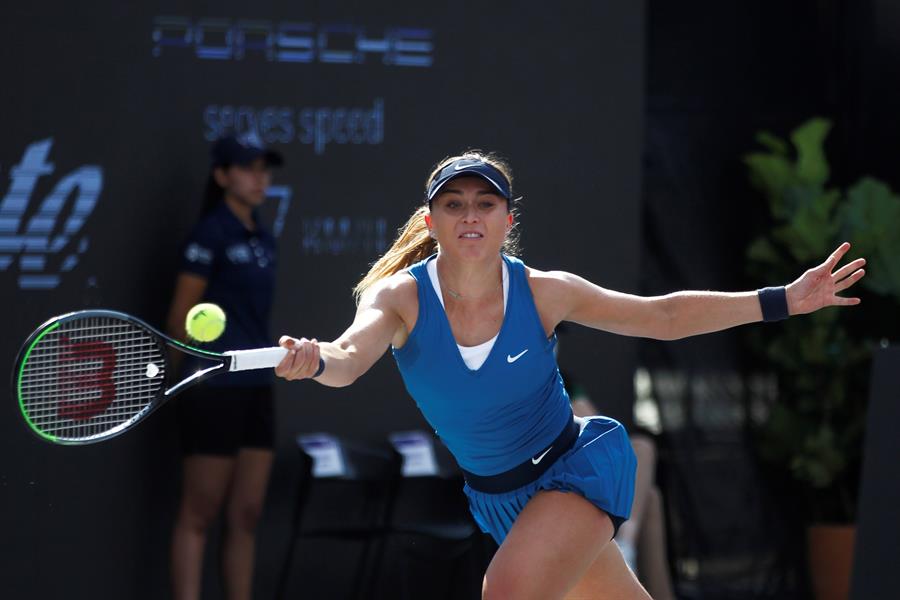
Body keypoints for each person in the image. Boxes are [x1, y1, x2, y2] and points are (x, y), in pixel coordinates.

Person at [273, 151, 865, 599]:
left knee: (505, 594)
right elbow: (346, 359)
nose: (470, 215)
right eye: (454, 204)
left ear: (508, 219)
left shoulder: (545, 292)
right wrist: (315, 359)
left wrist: (782, 300)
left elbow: (663, 316)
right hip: (498, 498)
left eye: (486, 203)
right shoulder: (398, 298)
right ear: (431, 221)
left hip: (574, 470)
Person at [167, 132, 283, 600]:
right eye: (248, 168)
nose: (260, 178)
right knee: (200, 511)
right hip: (212, 388)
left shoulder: (264, 236)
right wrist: (178, 374)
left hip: (258, 382)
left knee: (247, 514)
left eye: (263, 169)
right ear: (221, 176)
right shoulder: (209, 234)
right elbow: (179, 318)